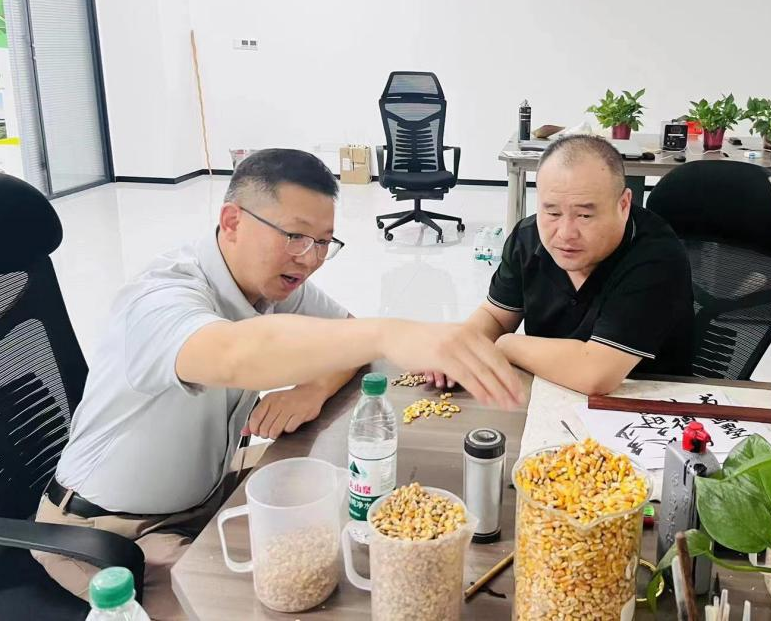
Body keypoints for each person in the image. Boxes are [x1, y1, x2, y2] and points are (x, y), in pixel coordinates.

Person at [34, 148, 522, 620]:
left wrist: (313, 389)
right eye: (295, 236)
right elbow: (233, 354)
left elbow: (345, 339)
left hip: (205, 494)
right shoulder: (160, 298)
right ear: (232, 221)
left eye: (324, 242)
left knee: (357, 521)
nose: (309, 259)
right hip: (108, 532)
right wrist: (388, 332)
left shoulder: (270, 284)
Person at [432, 134, 693, 396]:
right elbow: (495, 317)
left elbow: (596, 374)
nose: (566, 233)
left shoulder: (656, 256)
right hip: (549, 392)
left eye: (585, 215)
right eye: (553, 212)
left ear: (623, 205)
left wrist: (506, 345)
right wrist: (461, 348)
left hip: (644, 399)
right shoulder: (527, 238)